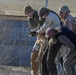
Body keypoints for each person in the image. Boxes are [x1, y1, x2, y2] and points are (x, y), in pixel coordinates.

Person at [30, 7, 61, 75]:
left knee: (48, 59)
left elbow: (44, 28)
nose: (42, 18)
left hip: (54, 38)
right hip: (54, 37)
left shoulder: (49, 17)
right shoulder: (52, 14)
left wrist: (36, 32)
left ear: (45, 14)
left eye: (42, 16)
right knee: (46, 59)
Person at [24, 5, 47, 75]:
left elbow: (42, 27)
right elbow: (33, 28)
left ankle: (42, 73)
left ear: (32, 11)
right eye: (26, 14)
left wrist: (35, 30)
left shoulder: (39, 15)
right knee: (33, 56)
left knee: (41, 57)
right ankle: (34, 73)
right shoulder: (29, 19)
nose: (28, 15)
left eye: (28, 13)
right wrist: (32, 31)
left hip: (45, 37)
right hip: (39, 38)